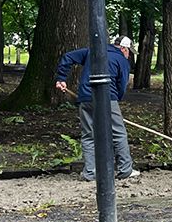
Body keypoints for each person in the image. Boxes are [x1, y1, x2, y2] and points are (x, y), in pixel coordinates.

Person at [55, 37, 138, 182]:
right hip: (108, 98)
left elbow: (68, 57)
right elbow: (122, 85)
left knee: (89, 135)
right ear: (123, 48)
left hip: (86, 98)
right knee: (118, 134)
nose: (129, 56)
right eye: (129, 52)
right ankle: (125, 170)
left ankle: (90, 173)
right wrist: (115, 100)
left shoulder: (92, 51)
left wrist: (61, 79)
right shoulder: (122, 60)